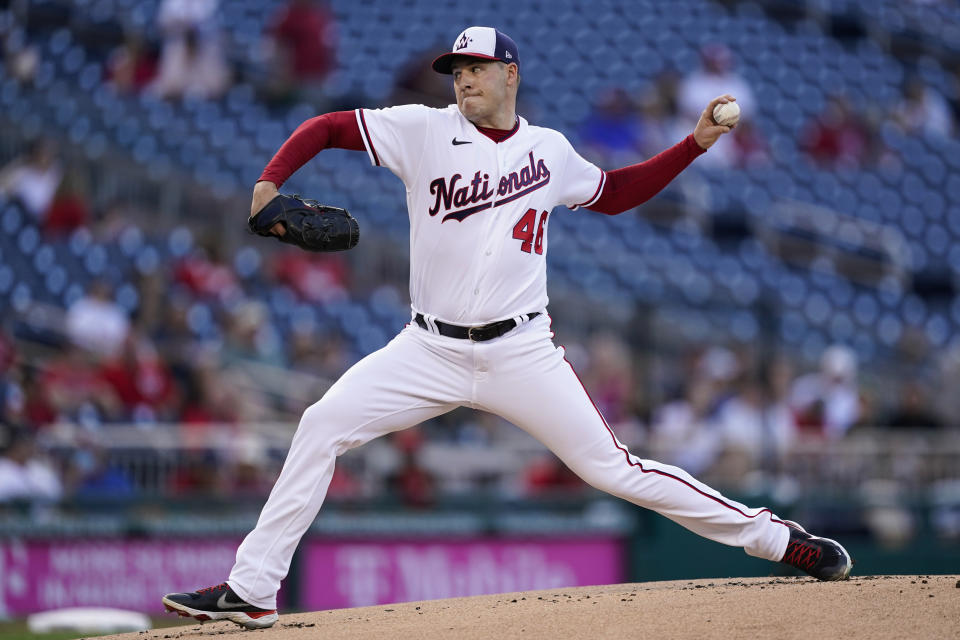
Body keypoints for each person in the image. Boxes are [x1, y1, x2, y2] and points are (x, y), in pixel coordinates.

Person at [163, 26, 852, 630]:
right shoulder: (424, 129)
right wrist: (268, 184)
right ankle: (252, 591)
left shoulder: (549, 151)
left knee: (616, 470)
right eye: (455, 71)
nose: (462, 79)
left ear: (509, 74)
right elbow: (326, 128)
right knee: (320, 424)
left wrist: (693, 145)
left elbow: (616, 194)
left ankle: (772, 539)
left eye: (474, 68)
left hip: (522, 350)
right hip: (427, 347)